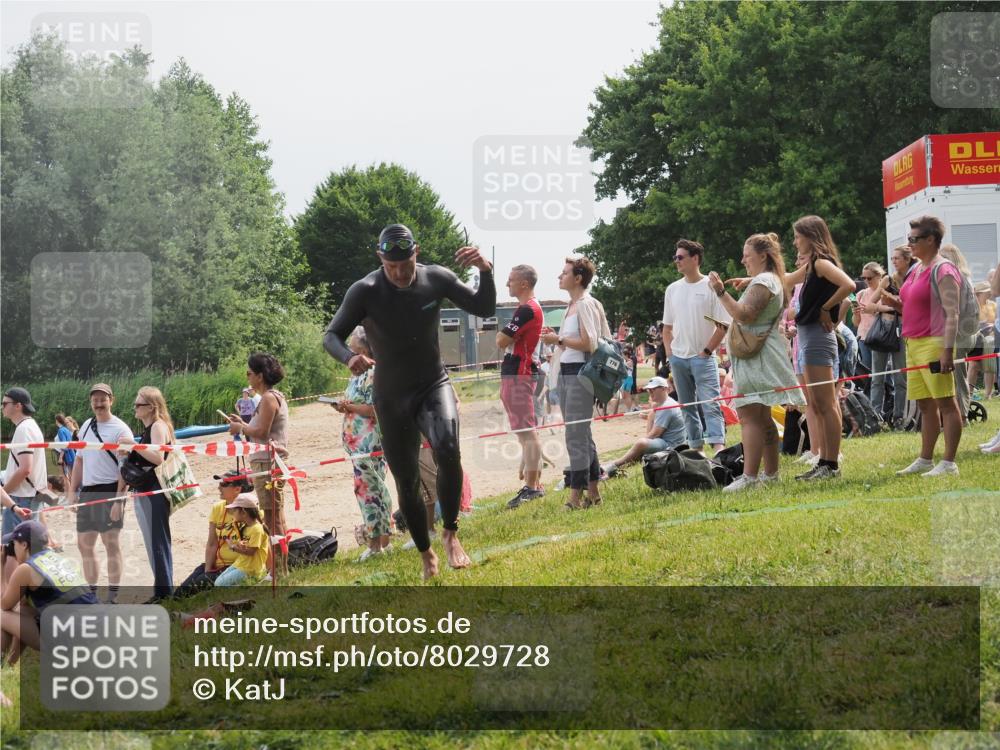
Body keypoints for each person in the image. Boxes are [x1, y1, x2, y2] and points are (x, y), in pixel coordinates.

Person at [323, 223, 495, 580]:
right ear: (380, 258)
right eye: (391, 266)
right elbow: (332, 335)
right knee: (407, 480)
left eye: (406, 264)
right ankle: (426, 553)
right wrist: (347, 358)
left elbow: (483, 306)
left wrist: (485, 270)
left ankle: (450, 533)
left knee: (448, 447)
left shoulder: (437, 279)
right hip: (391, 395)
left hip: (433, 383)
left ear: (416, 252)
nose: (400, 273)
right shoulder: (365, 290)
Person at [708, 233, 807, 491]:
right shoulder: (770, 279)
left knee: (750, 416)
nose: (743, 260)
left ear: (763, 256)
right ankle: (770, 474)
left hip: (756, 360)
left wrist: (720, 291)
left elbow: (745, 314)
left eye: (747, 255)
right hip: (760, 356)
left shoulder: (764, 280)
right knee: (763, 419)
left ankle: (750, 478)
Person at [881, 216, 963, 476]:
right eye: (909, 239)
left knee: (946, 403)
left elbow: (953, 313)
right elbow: (910, 306)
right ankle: (925, 459)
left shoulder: (944, 270)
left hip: (935, 341)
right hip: (913, 342)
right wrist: (893, 304)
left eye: (914, 239)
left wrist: (947, 350)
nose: (909, 244)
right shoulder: (917, 269)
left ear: (931, 240)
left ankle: (949, 462)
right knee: (925, 405)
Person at [782, 216, 856, 480]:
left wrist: (826, 308)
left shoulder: (822, 263)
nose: (794, 242)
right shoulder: (811, 267)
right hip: (808, 337)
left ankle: (831, 463)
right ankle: (823, 460)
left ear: (811, 237)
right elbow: (787, 279)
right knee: (817, 402)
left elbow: (849, 285)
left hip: (817, 337)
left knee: (825, 404)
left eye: (797, 236)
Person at [540, 256, 612, 511]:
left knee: (575, 436)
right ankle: (593, 492)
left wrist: (558, 339)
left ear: (578, 277)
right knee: (582, 434)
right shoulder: (572, 305)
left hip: (580, 373)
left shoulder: (584, 304)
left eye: (565, 272)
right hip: (568, 372)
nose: (560, 276)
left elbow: (590, 343)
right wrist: (557, 339)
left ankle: (574, 497)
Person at [661, 240, 730, 454]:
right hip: (678, 359)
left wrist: (706, 352)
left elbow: (723, 325)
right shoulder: (672, 289)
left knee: (711, 404)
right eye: (675, 257)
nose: (676, 261)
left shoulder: (711, 287)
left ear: (695, 258)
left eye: (680, 257)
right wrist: (671, 355)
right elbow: (667, 328)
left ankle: (719, 449)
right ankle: (696, 451)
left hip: (703, 357)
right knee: (687, 407)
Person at [65, 384, 132, 603]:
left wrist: (118, 500)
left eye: (103, 399)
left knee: (110, 543)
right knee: (84, 544)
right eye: (95, 399)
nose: (99, 403)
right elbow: (80, 459)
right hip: (88, 490)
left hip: (111, 488)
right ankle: (92, 592)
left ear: (112, 400)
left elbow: (126, 467)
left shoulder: (120, 429)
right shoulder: (85, 425)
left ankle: (113, 594)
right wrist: (73, 491)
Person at [331, 327, 393, 561]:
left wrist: (349, 407)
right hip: (356, 445)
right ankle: (377, 541)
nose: (350, 350)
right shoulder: (357, 374)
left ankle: (379, 543)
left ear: (365, 348)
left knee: (371, 491)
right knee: (365, 490)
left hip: (370, 443)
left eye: (354, 346)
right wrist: (343, 405)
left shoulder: (375, 373)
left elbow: (374, 409)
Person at [227, 353, 290, 577]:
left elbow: (262, 432)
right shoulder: (271, 397)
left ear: (260, 376)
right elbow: (261, 430)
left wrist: (240, 429)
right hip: (267, 461)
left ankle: (279, 572)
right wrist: (243, 424)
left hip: (267, 463)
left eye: (250, 373)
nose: (247, 376)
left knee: (273, 520)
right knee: (275, 517)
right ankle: (279, 570)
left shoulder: (269, 398)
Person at [1, 520, 96, 664]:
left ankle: (4, 667)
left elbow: (4, 605)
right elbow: (22, 607)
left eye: (14, 544)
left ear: (24, 545)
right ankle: (9, 664)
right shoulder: (58, 559)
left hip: (72, 639)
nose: (12, 549)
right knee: (22, 610)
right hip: (94, 629)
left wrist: (1, 568)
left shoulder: (26, 569)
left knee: (2, 616)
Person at [497, 264, 546, 510]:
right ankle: (533, 483)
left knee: (527, 431)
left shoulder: (527, 309)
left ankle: (533, 487)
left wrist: (505, 335)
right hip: (516, 373)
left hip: (520, 373)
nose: (508, 284)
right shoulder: (525, 308)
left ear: (524, 283)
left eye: (511, 280)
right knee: (524, 432)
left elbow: (501, 340)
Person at [123, 386, 175, 601]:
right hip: (149, 489)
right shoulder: (153, 427)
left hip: (154, 490)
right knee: (154, 540)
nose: (134, 407)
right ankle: (162, 590)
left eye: (138, 404)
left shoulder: (157, 426)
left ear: (151, 407)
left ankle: (164, 593)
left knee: (157, 541)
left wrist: (133, 446)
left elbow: (158, 457)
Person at [174, 470, 252, 597]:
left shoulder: (250, 510)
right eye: (220, 483)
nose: (219, 487)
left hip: (236, 566)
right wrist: (207, 570)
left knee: (198, 585)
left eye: (224, 484)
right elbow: (212, 543)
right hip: (218, 563)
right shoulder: (218, 508)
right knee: (181, 592)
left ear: (237, 489)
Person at [601, 377, 686, 477]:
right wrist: (651, 414)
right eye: (648, 390)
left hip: (671, 445)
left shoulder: (666, 406)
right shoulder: (663, 404)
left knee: (641, 443)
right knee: (640, 447)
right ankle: (615, 468)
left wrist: (639, 444)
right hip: (669, 442)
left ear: (664, 389)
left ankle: (613, 465)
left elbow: (655, 434)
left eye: (653, 389)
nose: (650, 392)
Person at [939, 242, 977, 421]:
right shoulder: (965, 276)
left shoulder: (956, 277)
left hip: (959, 333)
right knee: (958, 375)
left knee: (958, 376)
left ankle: (962, 415)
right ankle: (960, 413)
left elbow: (954, 310)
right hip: (966, 332)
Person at [1, 389, 47, 536]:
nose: (2, 407)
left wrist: (4, 493)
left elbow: (25, 469)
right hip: (29, 495)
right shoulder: (30, 425)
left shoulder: (24, 429)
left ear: (18, 406)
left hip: (21, 497)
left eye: (4, 403)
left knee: (11, 549)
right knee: (26, 547)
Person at [214, 496, 270, 587]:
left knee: (219, 585)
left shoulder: (257, 529)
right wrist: (239, 544)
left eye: (234, 511)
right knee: (217, 583)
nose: (232, 514)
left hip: (250, 568)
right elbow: (246, 546)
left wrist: (233, 546)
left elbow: (251, 552)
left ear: (243, 512)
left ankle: (250, 584)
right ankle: (248, 583)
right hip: (242, 563)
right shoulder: (246, 526)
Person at [969, 281, 997, 400]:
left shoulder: (993, 305)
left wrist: (992, 325)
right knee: (974, 365)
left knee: (989, 366)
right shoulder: (971, 306)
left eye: (989, 291)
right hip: (976, 339)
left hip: (989, 339)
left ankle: (988, 394)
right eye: (986, 292)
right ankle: (969, 393)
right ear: (979, 293)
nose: (989, 293)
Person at [53, 414, 78, 486]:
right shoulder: (66, 429)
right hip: (72, 453)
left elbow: (64, 444)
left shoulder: (61, 430)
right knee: (72, 475)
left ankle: (73, 494)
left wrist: (60, 457)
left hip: (67, 455)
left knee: (69, 476)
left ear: (57, 421)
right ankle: (75, 493)